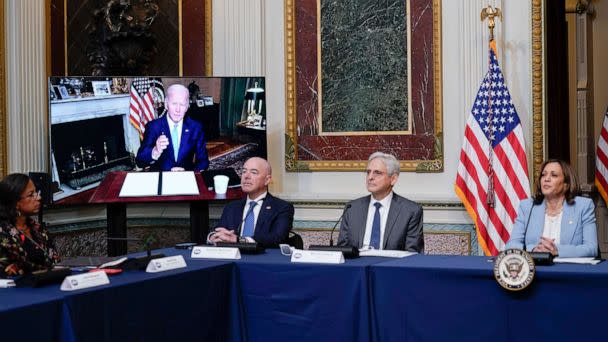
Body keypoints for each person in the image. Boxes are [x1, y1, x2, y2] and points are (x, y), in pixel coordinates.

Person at [506, 159, 597, 257]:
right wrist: (534, 249)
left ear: (566, 184)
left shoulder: (583, 206)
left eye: (554, 175)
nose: (546, 179)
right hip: (536, 268)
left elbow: (591, 249)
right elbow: (511, 245)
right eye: (543, 175)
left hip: (569, 270)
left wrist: (557, 250)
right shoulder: (527, 206)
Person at [337, 152, 424, 252]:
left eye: (377, 173)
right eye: (368, 172)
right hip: (357, 265)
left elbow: (412, 254)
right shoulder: (352, 208)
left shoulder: (410, 211)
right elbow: (342, 250)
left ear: (393, 179)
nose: (370, 177)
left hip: (391, 266)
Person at [209, 157, 294, 248]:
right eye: (244, 171)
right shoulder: (231, 207)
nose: (246, 176)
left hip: (263, 259)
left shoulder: (282, 207)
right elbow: (219, 230)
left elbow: (277, 238)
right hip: (232, 258)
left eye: (254, 172)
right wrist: (213, 237)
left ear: (267, 180)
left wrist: (239, 240)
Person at [136, 84, 209, 171]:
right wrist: (155, 151)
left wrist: (188, 173)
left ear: (187, 107)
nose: (178, 110)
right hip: (161, 177)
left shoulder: (196, 127)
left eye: (182, 105)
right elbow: (139, 162)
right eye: (174, 103)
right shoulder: (153, 127)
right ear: (166, 104)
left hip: (185, 178)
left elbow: (203, 162)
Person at [0, 173, 60, 277]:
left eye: (36, 192)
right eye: (31, 195)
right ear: (15, 203)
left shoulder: (38, 228)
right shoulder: (3, 233)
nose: (38, 197)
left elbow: (55, 261)